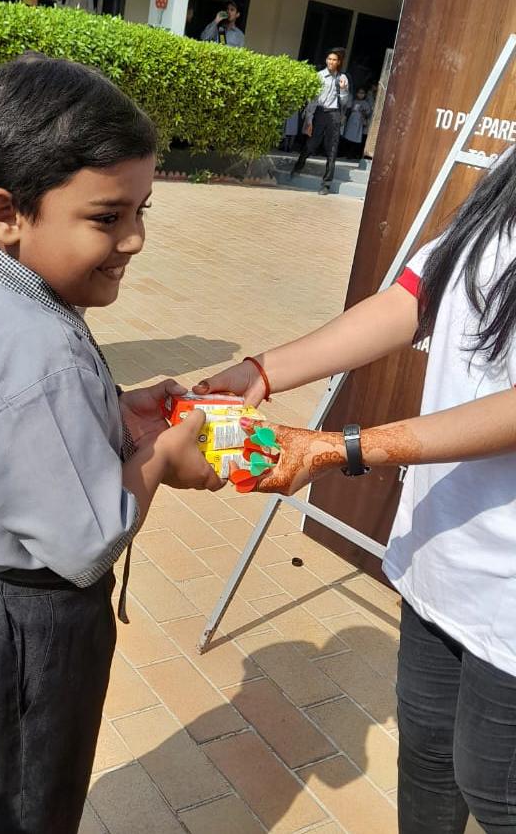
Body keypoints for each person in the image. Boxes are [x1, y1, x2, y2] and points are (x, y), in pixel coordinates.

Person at [193, 146, 516, 833]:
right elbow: (411, 300)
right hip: (443, 554)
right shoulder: (506, 177)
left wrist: (339, 447)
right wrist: (262, 371)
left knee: (496, 788)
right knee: (427, 756)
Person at [0, 53, 221, 834]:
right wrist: (159, 458)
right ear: (7, 213)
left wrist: (117, 409)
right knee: (26, 798)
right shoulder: (42, 354)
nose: (135, 239)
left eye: (143, 210)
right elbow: (84, 541)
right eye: (107, 217)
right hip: (23, 636)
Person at [291, 48, 350, 194]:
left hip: (334, 115)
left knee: (332, 149)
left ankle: (326, 184)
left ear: (339, 62)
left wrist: (343, 90)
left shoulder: (342, 78)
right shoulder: (319, 76)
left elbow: (344, 102)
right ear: (326, 60)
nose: (331, 62)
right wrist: (309, 119)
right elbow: (313, 100)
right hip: (319, 113)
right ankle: (298, 166)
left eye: (334, 60)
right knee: (311, 143)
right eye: (329, 59)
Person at [342, 87, 371, 160]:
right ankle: (346, 153)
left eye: (362, 93)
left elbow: (368, 113)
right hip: (351, 121)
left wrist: (363, 112)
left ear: (365, 94)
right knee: (348, 137)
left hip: (359, 123)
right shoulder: (354, 101)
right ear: (357, 93)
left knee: (356, 139)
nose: (361, 95)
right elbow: (349, 110)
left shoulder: (366, 103)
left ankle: (352, 154)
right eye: (359, 93)